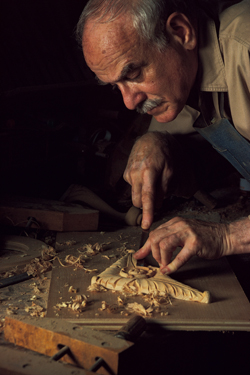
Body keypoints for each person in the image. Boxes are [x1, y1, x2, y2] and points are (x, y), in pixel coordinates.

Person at [76, 0, 250, 274]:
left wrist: (227, 236)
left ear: (181, 32)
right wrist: (157, 142)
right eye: (116, 86)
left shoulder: (246, 45)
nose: (129, 102)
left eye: (133, 74)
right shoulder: (183, 80)